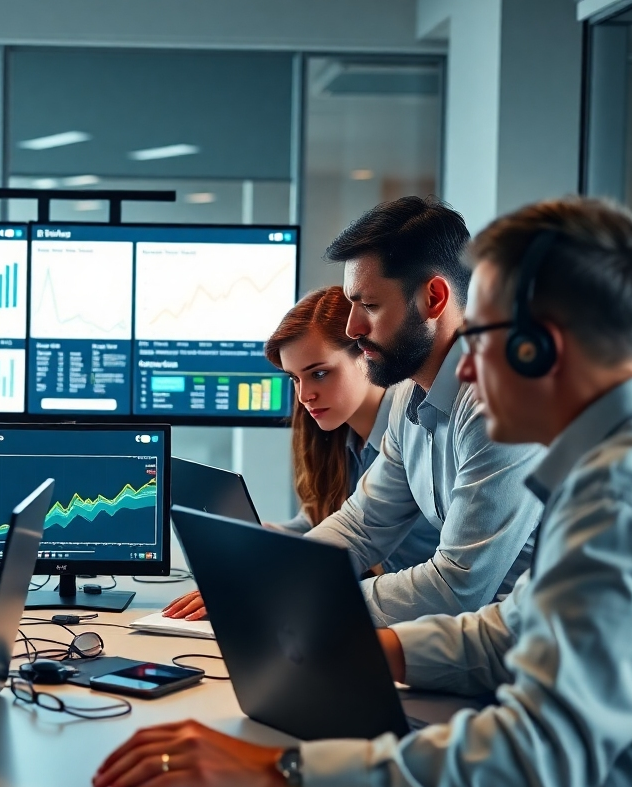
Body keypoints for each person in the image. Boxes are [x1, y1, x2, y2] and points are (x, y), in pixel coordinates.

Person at [94, 197, 632, 787]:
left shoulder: (618, 498)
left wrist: (286, 772)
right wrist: (365, 645)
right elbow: (508, 630)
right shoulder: (598, 473)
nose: (468, 373)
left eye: (477, 339)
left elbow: (533, 762)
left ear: (539, 347)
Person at [166, 196, 544, 628]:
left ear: (434, 298)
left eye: (370, 306)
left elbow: (457, 586)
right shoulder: (409, 397)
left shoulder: (501, 401)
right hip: (475, 644)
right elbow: (361, 525)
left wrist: (291, 594)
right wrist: (270, 576)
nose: (352, 328)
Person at [163, 286, 440, 620]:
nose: (305, 395)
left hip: (427, 624)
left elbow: (429, 570)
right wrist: (269, 541)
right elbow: (322, 520)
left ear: (368, 354)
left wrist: (283, 581)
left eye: (319, 374)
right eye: (295, 379)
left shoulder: (417, 431)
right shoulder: (341, 439)